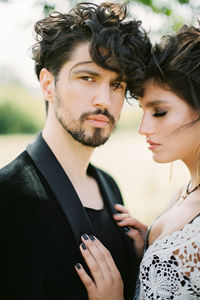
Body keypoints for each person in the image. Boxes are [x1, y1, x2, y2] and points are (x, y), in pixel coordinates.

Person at [0, 2, 152, 300]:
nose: (105, 99)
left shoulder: (108, 186)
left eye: (117, 84)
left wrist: (142, 260)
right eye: (87, 78)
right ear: (47, 85)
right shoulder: (8, 196)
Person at [75, 24, 200, 299]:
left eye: (160, 112)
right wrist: (149, 251)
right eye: (144, 110)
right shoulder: (183, 193)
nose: (143, 127)